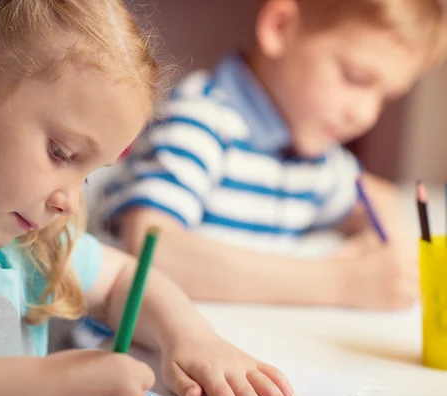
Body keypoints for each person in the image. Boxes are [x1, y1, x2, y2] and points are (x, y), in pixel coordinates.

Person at [0, 1, 295, 396]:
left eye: (89, 175)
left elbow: (124, 280)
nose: (69, 203)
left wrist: (192, 337)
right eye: (61, 153)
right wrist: (43, 384)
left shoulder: (20, 241)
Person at [104, 0, 447, 310]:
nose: (366, 114)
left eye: (385, 97)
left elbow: (375, 194)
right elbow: (151, 250)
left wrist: (385, 244)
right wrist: (339, 282)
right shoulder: (202, 120)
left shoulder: (315, 155)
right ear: (280, 28)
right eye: (355, 78)